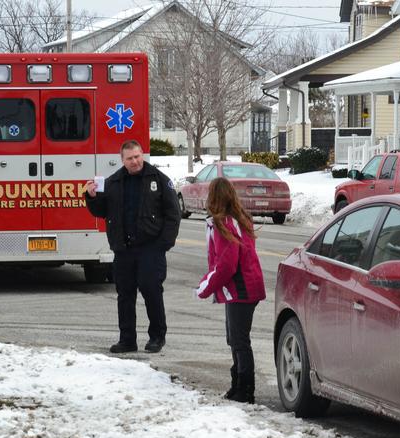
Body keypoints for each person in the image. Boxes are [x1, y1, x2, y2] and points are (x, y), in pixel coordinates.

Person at [83, 140, 181, 354]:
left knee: (151, 291)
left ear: (142, 155)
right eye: (130, 158)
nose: (135, 161)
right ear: (123, 160)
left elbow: (173, 214)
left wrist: (163, 244)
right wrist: (91, 197)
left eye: (137, 156)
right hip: (124, 249)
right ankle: (127, 340)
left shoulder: (159, 180)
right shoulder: (114, 182)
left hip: (150, 248)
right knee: (125, 295)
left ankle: (157, 337)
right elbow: (101, 211)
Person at [195, 178, 266, 404]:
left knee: (239, 341)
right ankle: (237, 386)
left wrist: (205, 287)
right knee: (234, 339)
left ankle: (245, 390)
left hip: (241, 290)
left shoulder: (223, 224)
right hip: (243, 288)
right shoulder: (238, 220)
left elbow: (226, 266)